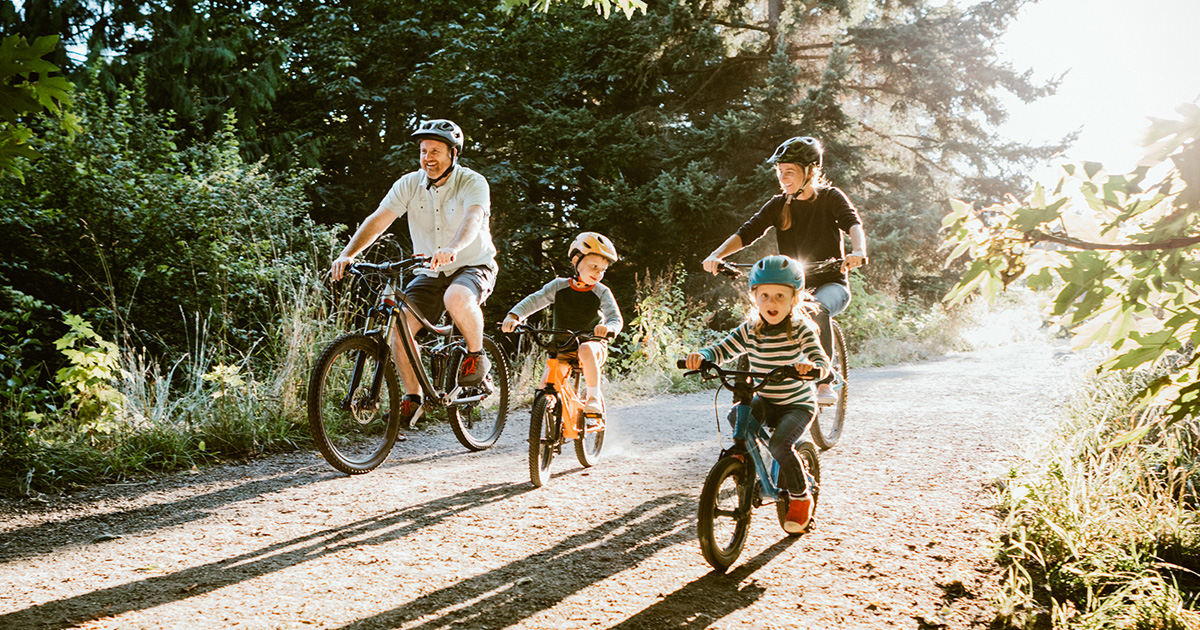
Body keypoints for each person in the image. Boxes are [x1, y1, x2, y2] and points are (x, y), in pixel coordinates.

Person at [330, 118, 498, 426]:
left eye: (435, 150)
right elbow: (379, 219)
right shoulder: (409, 184)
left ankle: (476, 355)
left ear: (453, 154)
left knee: (457, 297)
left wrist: (454, 248)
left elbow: (473, 219)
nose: (428, 158)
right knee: (398, 327)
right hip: (430, 270)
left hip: (472, 263)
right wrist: (348, 254)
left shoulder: (472, 182)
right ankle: (414, 398)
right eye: (423, 151)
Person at [702, 136, 867, 406]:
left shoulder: (829, 198)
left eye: (789, 171)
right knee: (760, 316)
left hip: (832, 284)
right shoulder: (779, 205)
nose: (783, 177)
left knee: (816, 308)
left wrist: (858, 251)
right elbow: (749, 231)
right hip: (792, 288)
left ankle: (824, 380)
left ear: (810, 171)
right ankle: (750, 386)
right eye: (779, 172)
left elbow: (852, 223)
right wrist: (717, 255)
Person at [685, 255, 829, 533]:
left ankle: (801, 496)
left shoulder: (802, 330)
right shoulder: (750, 330)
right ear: (754, 298)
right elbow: (721, 349)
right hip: (766, 398)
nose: (771, 303)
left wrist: (811, 367)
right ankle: (744, 464)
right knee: (737, 415)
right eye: (764, 295)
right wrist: (702, 356)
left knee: (779, 446)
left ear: (794, 299)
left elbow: (822, 363)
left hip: (797, 404)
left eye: (779, 296)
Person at [501, 232, 623, 416]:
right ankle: (547, 437)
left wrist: (608, 329)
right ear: (576, 260)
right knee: (545, 388)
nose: (598, 273)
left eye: (603, 270)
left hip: (593, 345)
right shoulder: (559, 286)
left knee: (586, 349)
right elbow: (535, 300)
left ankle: (593, 398)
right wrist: (514, 315)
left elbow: (615, 318)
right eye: (594, 267)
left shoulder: (601, 291)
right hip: (562, 347)